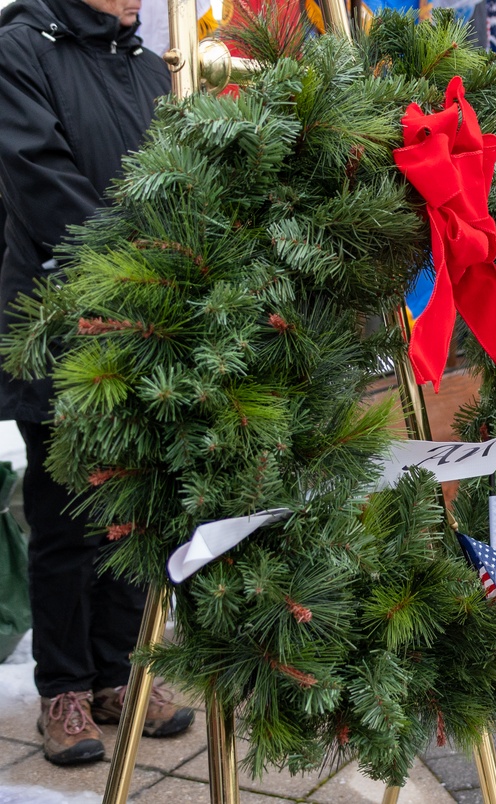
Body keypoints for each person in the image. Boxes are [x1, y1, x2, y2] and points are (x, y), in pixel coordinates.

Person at [0, 0, 194, 766]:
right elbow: (35, 175)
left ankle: (119, 677)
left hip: (149, 326)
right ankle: (66, 691)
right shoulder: (20, 48)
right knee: (66, 518)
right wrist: (135, 270)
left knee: (136, 511)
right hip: (59, 323)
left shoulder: (150, 67)